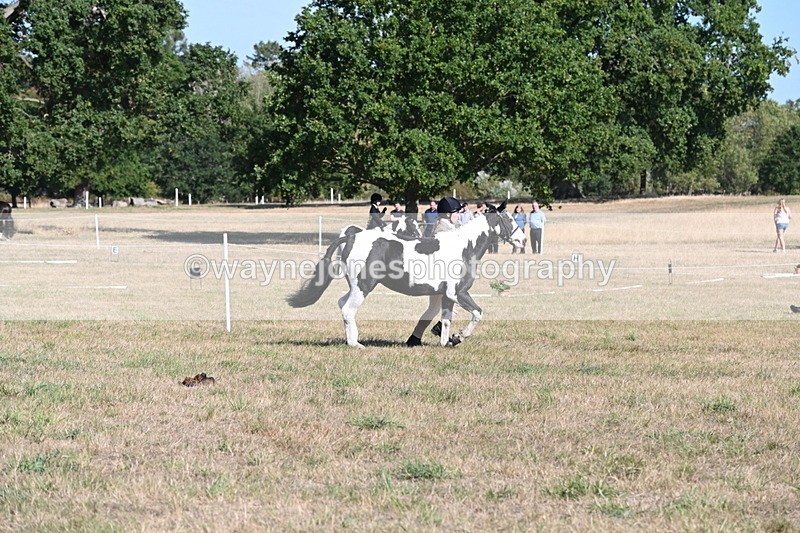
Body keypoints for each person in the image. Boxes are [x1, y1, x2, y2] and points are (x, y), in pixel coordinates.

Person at [407, 196, 462, 347]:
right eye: (457, 212)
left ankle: (415, 337)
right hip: (440, 276)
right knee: (458, 303)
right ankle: (441, 333)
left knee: (433, 308)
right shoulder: (444, 229)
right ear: (449, 214)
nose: (459, 215)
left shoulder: (447, 227)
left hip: (439, 275)